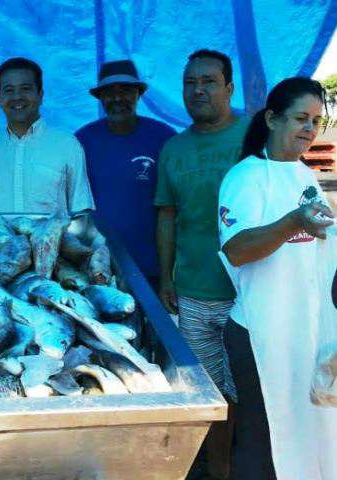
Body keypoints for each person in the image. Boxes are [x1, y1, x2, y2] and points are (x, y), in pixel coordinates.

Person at [219, 77, 337, 480]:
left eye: (316, 121)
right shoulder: (245, 177)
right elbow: (236, 249)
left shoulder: (305, 176)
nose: (308, 128)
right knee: (265, 436)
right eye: (300, 118)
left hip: (303, 330)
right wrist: (291, 222)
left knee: (309, 430)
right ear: (272, 118)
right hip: (260, 333)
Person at [154, 49, 248, 480]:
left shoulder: (255, 138)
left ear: (230, 88)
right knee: (212, 391)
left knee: (253, 385)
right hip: (193, 292)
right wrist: (167, 277)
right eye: (190, 83)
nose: (198, 90)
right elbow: (167, 215)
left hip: (250, 290)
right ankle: (219, 470)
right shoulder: (173, 148)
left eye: (209, 81)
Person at [75, 60, 176, 286]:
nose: (117, 98)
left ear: (138, 94)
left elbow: (176, 205)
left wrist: (170, 274)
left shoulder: (164, 137)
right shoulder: (82, 140)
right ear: (100, 98)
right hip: (97, 268)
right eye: (109, 92)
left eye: (126, 91)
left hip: (153, 268)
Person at [0, 57, 95, 215]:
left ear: (40, 95)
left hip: (51, 240)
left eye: (25, 88)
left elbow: (81, 211)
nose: (17, 97)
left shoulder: (67, 145)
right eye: (8, 90)